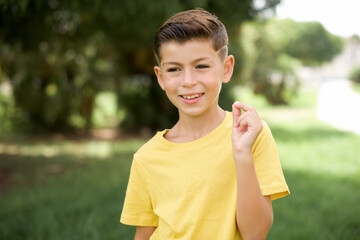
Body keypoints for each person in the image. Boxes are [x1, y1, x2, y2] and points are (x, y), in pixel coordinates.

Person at [120, 8, 290, 240]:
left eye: (201, 66)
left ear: (226, 68)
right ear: (161, 77)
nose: (188, 81)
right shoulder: (146, 157)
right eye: (174, 69)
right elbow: (143, 234)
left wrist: (242, 154)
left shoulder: (251, 136)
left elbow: (255, 234)